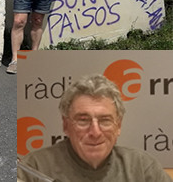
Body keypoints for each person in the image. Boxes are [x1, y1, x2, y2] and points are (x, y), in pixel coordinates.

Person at [17, 74, 171, 182]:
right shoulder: (34, 168)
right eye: (83, 120)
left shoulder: (142, 168)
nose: (95, 132)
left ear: (118, 126)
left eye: (105, 120)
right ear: (66, 125)